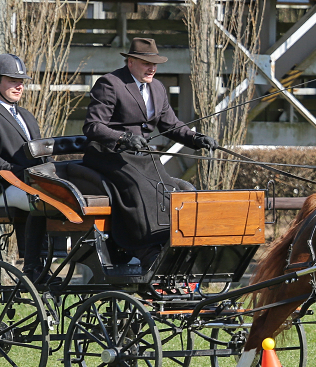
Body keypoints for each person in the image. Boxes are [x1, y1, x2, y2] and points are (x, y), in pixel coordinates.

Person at [82, 37, 217, 266]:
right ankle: (142, 245)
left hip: (142, 157)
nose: (152, 68)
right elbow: (92, 126)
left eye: (155, 64)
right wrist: (123, 138)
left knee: (172, 189)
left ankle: (171, 241)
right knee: (139, 188)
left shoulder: (157, 87)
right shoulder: (111, 83)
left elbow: (171, 125)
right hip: (109, 155)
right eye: (146, 63)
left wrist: (196, 138)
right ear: (131, 62)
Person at [0, 53, 50, 281]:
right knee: (41, 199)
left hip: (30, 183)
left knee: (61, 193)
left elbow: (40, 153)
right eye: (12, 81)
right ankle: (34, 267)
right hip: (1, 187)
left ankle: (51, 259)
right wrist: (21, 173)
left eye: (21, 81)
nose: (19, 86)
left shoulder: (26, 115)